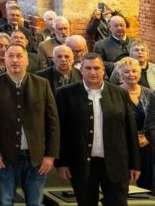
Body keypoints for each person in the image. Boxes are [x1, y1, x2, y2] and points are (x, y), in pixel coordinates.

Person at [0, 44, 59, 206]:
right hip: (4, 157)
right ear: (5, 60)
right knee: (5, 201)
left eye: (19, 56)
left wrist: (50, 156)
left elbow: (53, 122)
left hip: (37, 157)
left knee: (36, 202)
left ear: (27, 61)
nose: (15, 60)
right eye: (11, 56)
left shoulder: (42, 84)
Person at [56, 53, 141, 205]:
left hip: (116, 163)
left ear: (103, 70)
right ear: (81, 70)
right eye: (88, 68)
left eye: (96, 68)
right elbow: (60, 131)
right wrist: (62, 162)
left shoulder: (120, 93)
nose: (92, 72)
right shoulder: (65, 94)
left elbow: (130, 130)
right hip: (81, 163)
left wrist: (134, 163)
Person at [114, 57, 155, 190]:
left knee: (147, 185)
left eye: (134, 71)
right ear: (120, 74)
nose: (131, 74)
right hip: (124, 145)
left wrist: (147, 138)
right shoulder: (114, 93)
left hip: (147, 144)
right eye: (126, 72)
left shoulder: (149, 93)